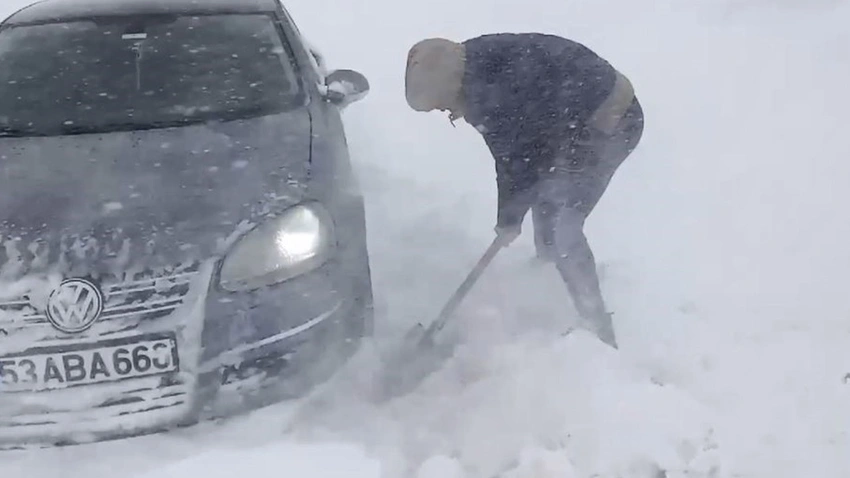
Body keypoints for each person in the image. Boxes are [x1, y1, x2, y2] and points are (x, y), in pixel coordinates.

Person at [404, 33, 644, 348]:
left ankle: (596, 326)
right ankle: (548, 278)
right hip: (570, 124)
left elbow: (518, 158)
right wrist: (510, 216)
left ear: (449, 85)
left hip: (611, 119)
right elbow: (515, 157)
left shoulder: (491, 91)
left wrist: (509, 219)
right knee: (546, 199)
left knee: (563, 226)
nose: (444, 111)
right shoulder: (473, 68)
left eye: (439, 103)